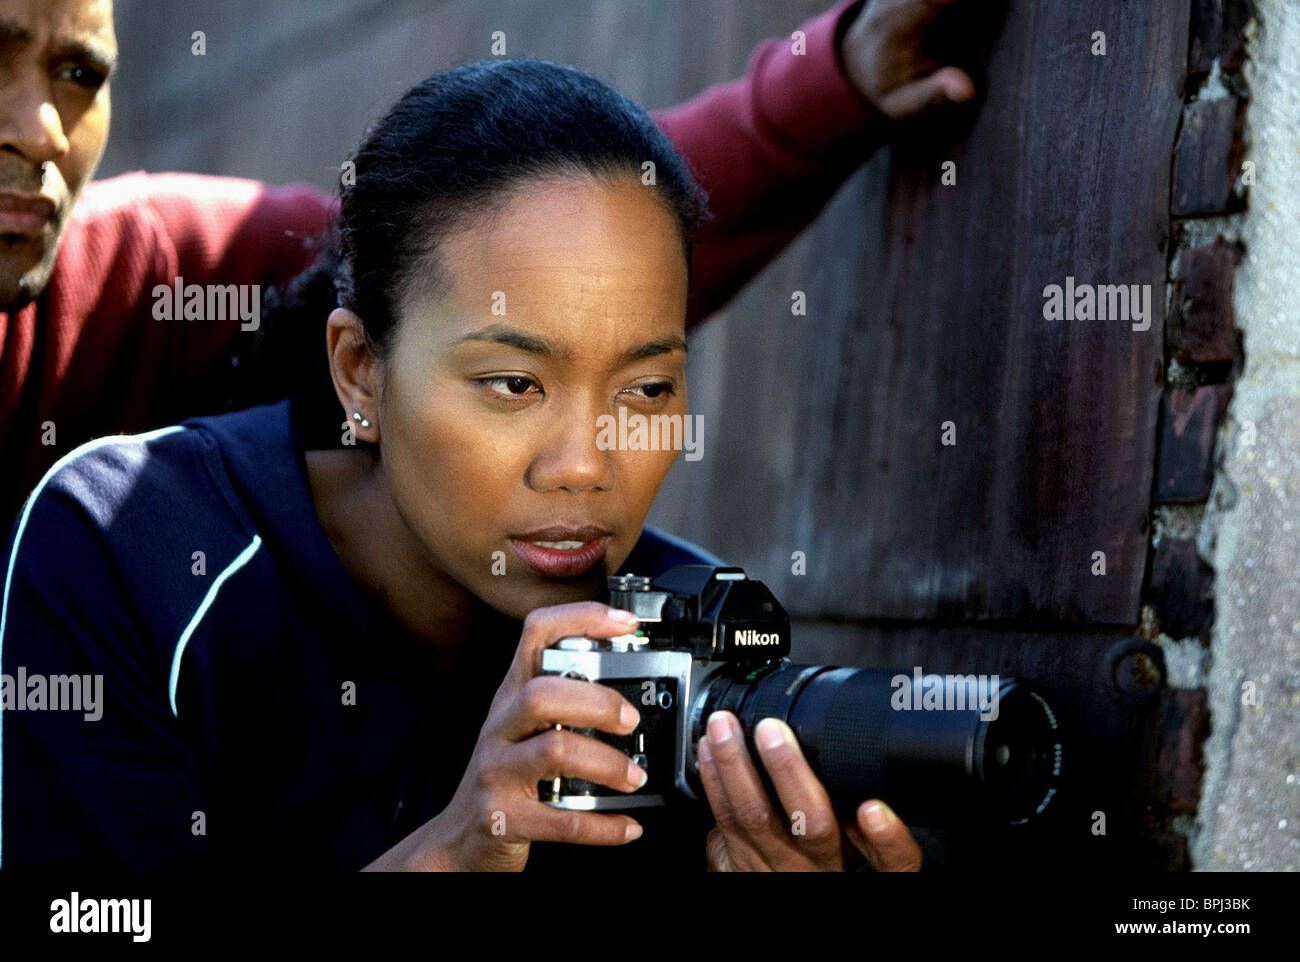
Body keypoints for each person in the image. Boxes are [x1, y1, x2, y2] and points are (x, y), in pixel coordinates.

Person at [0, 57, 923, 872]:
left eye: (645, 391)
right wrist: (453, 855)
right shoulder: (131, 553)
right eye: (515, 383)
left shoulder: (674, 645)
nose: (584, 468)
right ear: (361, 371)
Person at [0, 0, 978, 529]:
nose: (40, 130)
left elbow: (485, 254)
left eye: (80, 73)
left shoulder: (147, 271)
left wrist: (832, 79)